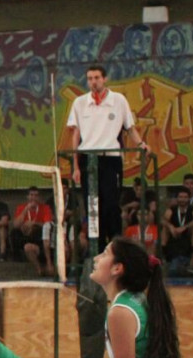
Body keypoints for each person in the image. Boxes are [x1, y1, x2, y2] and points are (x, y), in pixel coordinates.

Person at [63, 64, 147, 253]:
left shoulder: (118, 100)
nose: (93, 82)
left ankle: (115, 245)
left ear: (105, 79)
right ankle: (97, 248)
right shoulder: (80, 102)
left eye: (96, 78)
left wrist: (141, 144)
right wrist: (75, 166)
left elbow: (130, 127)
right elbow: (75, 135)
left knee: (111, 203)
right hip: (87, 158)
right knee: (92, 206)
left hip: (110, 158)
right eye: (90, 78)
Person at [11, 186, 55, 276]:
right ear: (27, 197)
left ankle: (43, 266)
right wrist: (26, 210)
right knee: (14, 233)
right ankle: (19, 257)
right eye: (31, 195)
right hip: (25, 234)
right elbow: (15, 224)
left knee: (41, 231)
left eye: (36, 195)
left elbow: (48, 224)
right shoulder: (21, 207)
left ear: (39, 197)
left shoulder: (45, 208)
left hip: (38, 235)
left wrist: (34, 223)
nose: (33, 198)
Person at [161, 186, 193, 276]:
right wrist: (171, 226)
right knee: (165, 227)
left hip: (187, 234)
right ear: (177, 198)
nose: (182, 199)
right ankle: (162, 252)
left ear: (189, 199)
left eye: (185, 197)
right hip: (174, 234)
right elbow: (163, 220)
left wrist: (184, 227)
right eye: (180, 197)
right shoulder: (172, 209)